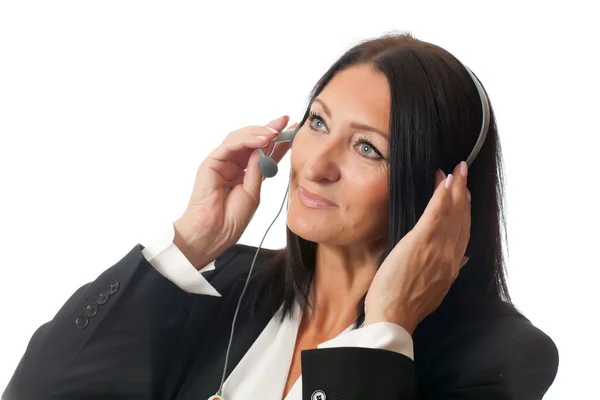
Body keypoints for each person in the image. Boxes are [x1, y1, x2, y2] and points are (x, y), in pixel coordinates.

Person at [3, 32, 559, 400]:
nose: (313, 166)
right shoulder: (218, 288)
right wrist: (189, 246)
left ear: (443, 193)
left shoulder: (498, 362)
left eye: (367, 148)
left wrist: (386, 329)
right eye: (318, 122)